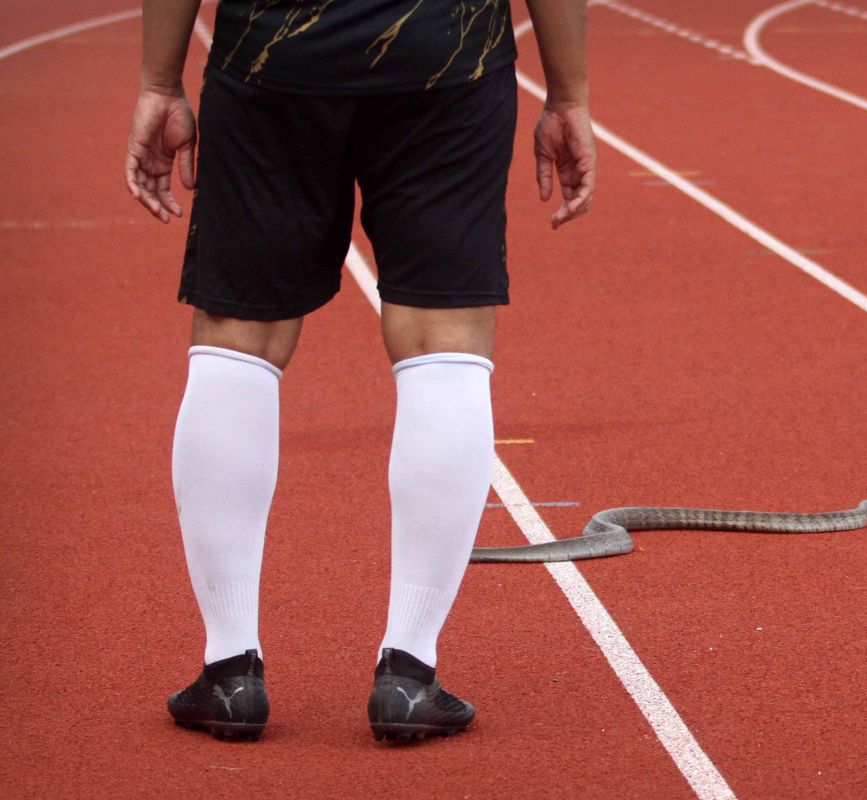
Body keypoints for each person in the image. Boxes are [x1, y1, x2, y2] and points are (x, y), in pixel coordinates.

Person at [124, 0, 596, 742]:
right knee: (444, 337)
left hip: (272, 52)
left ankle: (229, 671)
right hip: (448, 55)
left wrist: (159, 80)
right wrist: (567, 96)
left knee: (238, 337)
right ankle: (409, 671)